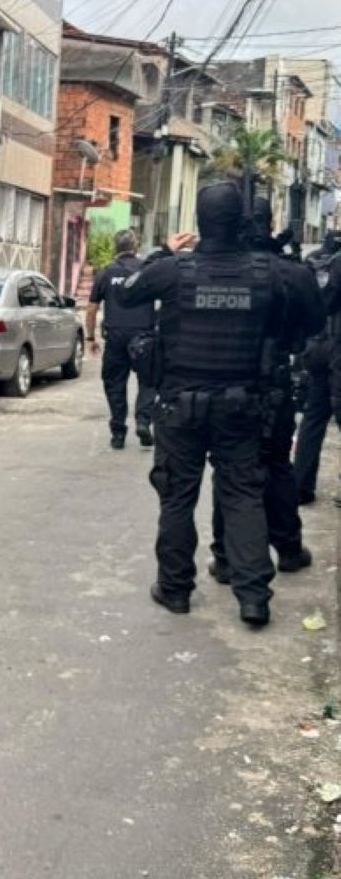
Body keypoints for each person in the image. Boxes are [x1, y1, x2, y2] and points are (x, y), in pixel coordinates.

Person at [117, 183, 297, 627]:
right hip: (241, 407)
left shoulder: (174, 270)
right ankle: (253, 597)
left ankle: (175, 589)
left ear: (198, 222)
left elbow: (125, 291)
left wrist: (164, 251)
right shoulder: (266, 274)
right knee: (242, 496)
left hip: (181, 407)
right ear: (242, 223)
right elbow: (294, 322)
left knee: (178, 496)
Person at [206, 198, 324, 584]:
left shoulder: (217, 268)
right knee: (276, 465)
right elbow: (315, 324)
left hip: (227, 384)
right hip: (273, 383)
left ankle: (226, 557)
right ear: (270, 224)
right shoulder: (291, 272)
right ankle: (287, 549)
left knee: (231, 471)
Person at [86, 229, 157, 450]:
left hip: (115, 337)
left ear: (116, 247)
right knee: (148, 381)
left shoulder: (106, 273)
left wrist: (91, 337)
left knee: (115, 383)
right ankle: (143, 421)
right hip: (144, 336)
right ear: (136, 247)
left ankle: (118, 433)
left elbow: (91, 309)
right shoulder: (148, 270)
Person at [293, 233, 341, 504]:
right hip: (336, 347)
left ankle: (301, 484)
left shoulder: (313, 261)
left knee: (313, 416)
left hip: (317, 345)